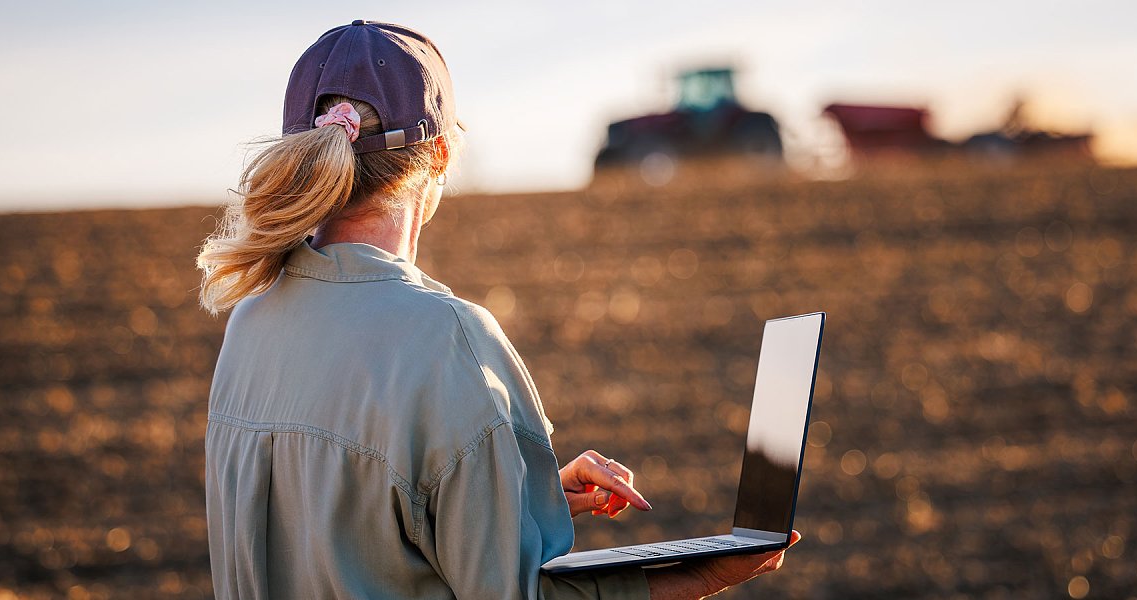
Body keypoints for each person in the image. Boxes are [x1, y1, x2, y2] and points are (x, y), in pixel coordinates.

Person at [197, 20, 798, 599]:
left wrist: (513, 496)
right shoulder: (445, 337)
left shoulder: (250, 324)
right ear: (438, 156)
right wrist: (700, 578)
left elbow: (340, 532)